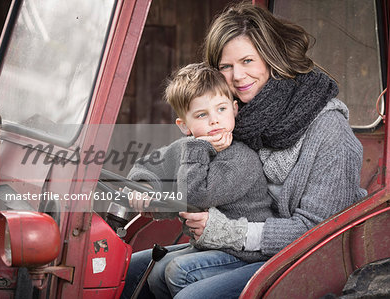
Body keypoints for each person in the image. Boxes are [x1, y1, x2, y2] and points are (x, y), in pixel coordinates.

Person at [123, 2, 367, 298]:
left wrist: (228, 231)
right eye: (226, 66)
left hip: (302, 256)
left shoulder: (329, 130)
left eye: (247, 60)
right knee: (134, 270)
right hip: (242, 246)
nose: (237, 76)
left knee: (189, 291)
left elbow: (319, 233)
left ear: (270, 57)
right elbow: (179, 155)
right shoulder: (233, 116)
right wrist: (147, 183)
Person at [121, 62, 275, 299]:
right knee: (140, 268)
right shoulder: (190, 147)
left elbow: (194, 195)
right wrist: (144, 185)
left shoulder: (241, 159)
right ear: (184, 126)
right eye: (202, 115)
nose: (214, 121)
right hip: (207, 245)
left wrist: (198, 147)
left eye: (221, 109)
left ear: (235, 109)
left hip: (244, 252)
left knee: (176, 271)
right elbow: (149, 164)